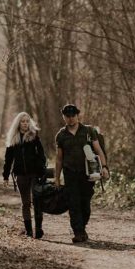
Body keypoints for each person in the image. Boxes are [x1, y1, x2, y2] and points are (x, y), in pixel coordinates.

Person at [54, 103, 109, 244]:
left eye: (73, 115)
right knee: (73, 203)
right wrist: (57, 178)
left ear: (78, 115)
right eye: (68, 116)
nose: (71, 118)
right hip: (70, 172)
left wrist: (104, 167)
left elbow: (98, 150)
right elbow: (59, 159)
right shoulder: (61, 135)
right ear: (64, 117)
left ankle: (82, 228)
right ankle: (78, 232)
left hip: (88, 173)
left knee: (85, 202)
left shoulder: (88, 131)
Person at [2, 112, 47, 238]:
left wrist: (41, 170)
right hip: (20, 175)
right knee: (26, 203)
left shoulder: (34, 136)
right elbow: (8, 159)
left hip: (34, 174)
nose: (25, 123)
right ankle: (28, 231)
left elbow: (42, 155)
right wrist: (5, 176)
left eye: (27, 121)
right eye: (23, 121)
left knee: (36, 201)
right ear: (18, 123)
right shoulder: (13, 138)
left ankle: (38, 229)